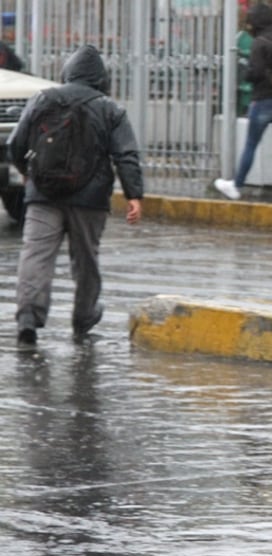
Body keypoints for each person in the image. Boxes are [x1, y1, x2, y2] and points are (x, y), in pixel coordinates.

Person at [9, 44, 143, 347]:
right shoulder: (110, 109)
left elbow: (17, 143)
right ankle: (83, 317)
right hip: (89, 199)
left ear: (67, 73)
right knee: (85, 260)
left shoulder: (42, 99)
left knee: (36, 255)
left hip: (43, 194)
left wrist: (27, 172)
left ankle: (28, 319)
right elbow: (126, 155)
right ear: (100, 79)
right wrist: (135, 195)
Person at [213, 3, 272, 206]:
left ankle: (236, 186)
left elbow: (255, 73)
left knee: (250, 145)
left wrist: (244, 70)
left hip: (263, 100)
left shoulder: (259, 43)